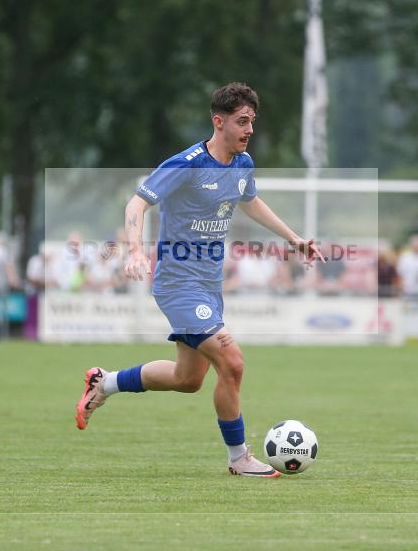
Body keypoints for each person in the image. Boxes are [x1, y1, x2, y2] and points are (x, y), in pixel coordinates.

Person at [74, 83, 324, 478]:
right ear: (218, 121)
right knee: (233, 362)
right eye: (242, 122)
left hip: (208, 285)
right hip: (177, 283)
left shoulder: (242, 164)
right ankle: (239, 457)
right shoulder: (187, 164)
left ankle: (105, 383)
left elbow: (251, 200)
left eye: (252, 122)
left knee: (187, 379)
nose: (249, 130)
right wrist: (136, 250)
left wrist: (294, 239)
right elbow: (136, 203)